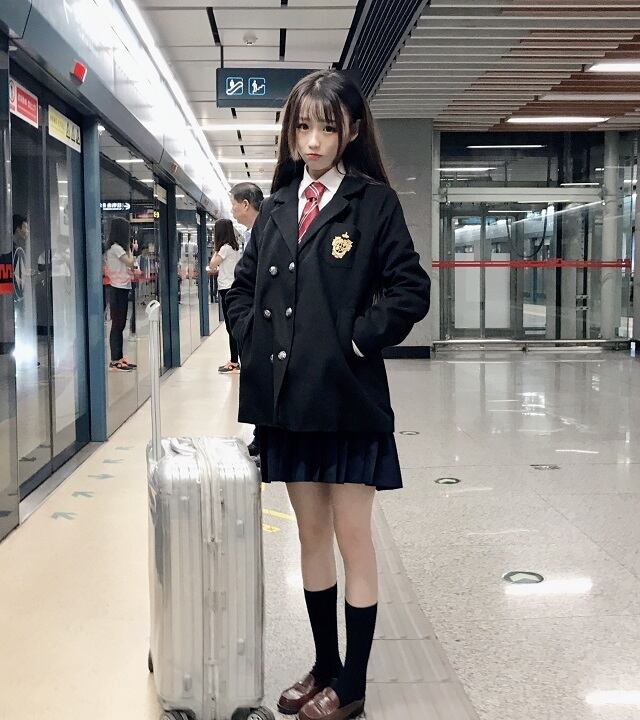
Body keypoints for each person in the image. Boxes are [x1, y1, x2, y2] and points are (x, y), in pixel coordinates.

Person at [225, 70, 430, 720]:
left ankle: (354, 683)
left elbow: (411, 288)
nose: (313, 141)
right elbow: (241, 288)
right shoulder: (278, 207)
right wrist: (249, 338)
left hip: (347, 402)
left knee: (352, 537)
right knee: (310, 538)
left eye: (327, 128)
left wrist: (358, 340)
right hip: (288, 405)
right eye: (303, 127)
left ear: (352, 132)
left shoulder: (373, 204)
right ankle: (324, 666)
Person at [229, 182, 264, 455]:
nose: (232, 210)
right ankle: (260, 435)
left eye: (233, 204)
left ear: (245, 204)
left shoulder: (266, 231)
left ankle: (263, 437)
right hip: (253, 319)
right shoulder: (252, 233)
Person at [208, 219, 242, 373]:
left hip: (226, 289)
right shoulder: (234, 248)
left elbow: (212, 264)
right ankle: (235, 360)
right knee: (232, 326)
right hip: (232, 287)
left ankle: (234, 362)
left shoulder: (224, 248)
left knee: (230, 327)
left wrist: (216, 250)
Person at [104, 217, 137, 371]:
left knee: (121, 323)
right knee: (117, 324)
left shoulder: (117, 248)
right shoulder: (116, 248)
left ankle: (119, 357)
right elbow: (130, 262)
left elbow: (130, 267)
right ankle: (115, 359)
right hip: (117, 288)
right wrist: (132, 249)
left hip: (122, 287)